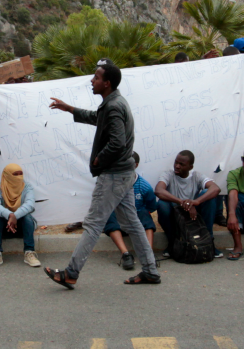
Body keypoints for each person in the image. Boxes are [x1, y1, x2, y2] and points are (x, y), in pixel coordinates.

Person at [45, 60, 160, 287]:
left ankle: (71, 273)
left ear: (107, 83)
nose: (92, 80)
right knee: (132, 223)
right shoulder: (114, 102)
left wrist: (100, 159)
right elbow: (99, 119)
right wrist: (70, 109)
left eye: (96, 77)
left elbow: (117, 143)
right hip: (123, 173)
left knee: (93, 223)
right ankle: (150, 271)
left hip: (114, 175)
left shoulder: (114, 106)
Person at [154, 150, 220, 257]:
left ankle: (209, 240)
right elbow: (158, 190)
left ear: (190, 167)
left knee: (207, 194)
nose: (177, 166)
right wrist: (181, 202)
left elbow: (215, 188)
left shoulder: (197, 176)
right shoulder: (168, 174)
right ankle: (172, 242)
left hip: (193, 214)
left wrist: (196, 202)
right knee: (162, 204)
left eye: (181, 164)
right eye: (176, 162)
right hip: (176, 214)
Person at [102, 153, 156, 270]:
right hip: (119, 221)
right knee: (109, 214)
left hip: (137, 221)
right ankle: (125, 254)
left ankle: (149, 254)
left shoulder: (144, 186)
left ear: (135, 165)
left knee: (145, 214)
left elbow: (151, 207)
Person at [0, 162, 41, 270]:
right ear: (7, 175)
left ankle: (29, 252)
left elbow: (30, 205)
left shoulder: (27, 187)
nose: (19, 177)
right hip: (5, 227)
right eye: (15, 174)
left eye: (20, 174)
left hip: (22, 227)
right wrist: (10, 215)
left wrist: (15, 216)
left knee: (27, 217)